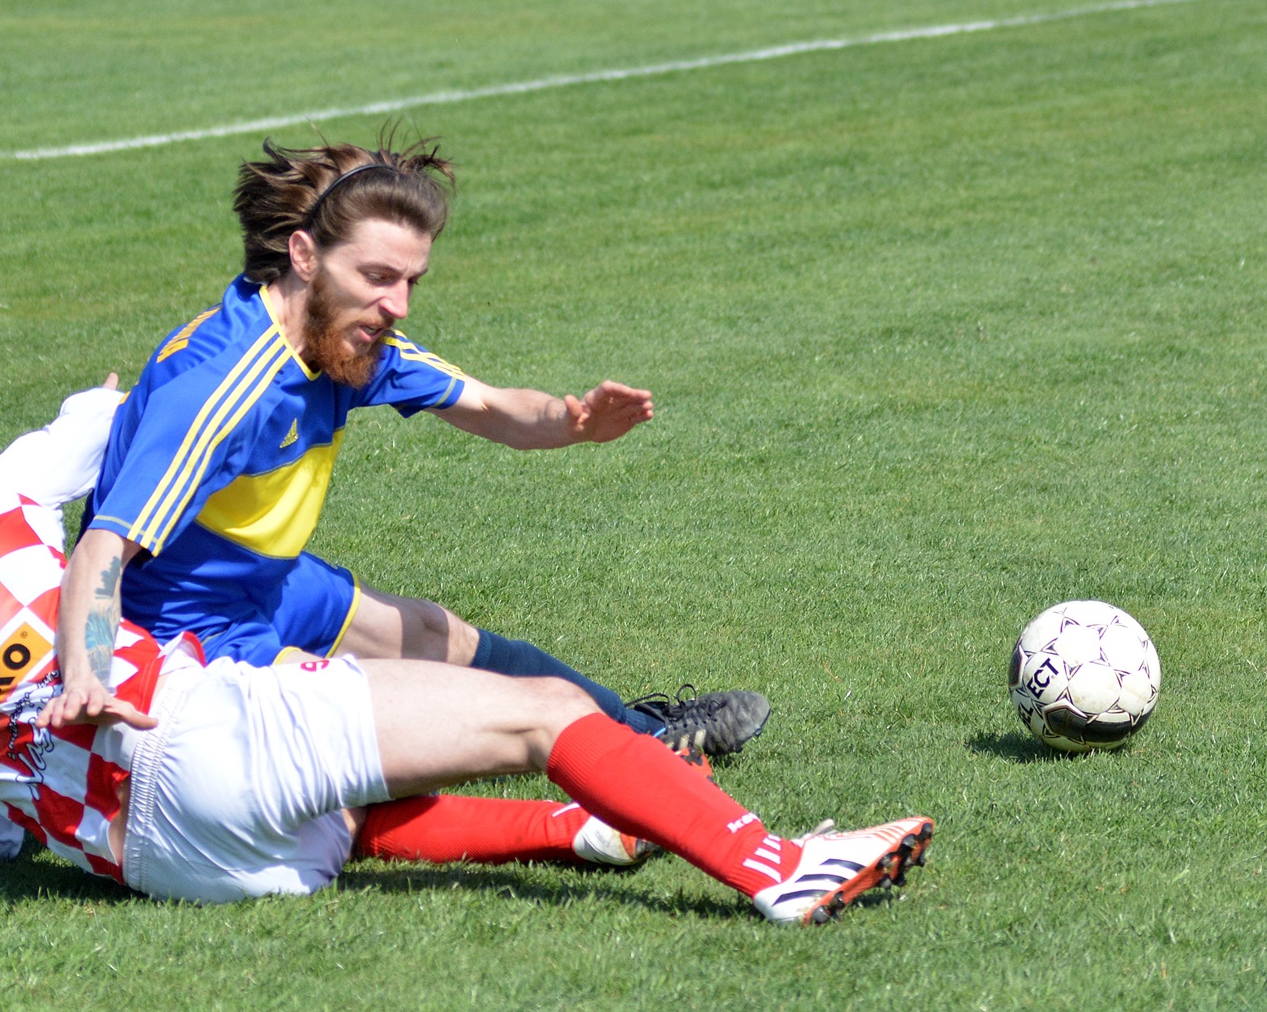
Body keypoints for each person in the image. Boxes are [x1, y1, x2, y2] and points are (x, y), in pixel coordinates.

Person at [0, 385, 934, 920]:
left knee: (342, 813)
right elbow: (107, 413)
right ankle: (780, 870)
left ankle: (581, 832)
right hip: (191, 733)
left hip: (166, 869)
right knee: (541, 711)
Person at [67, 137, 765, 756]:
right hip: (185, 629)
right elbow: (101, 552)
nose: (398, 304)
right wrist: (90, 678)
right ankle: (600, 785)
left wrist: (571, 420)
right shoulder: (224, 388)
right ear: (304, 255)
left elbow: (489, 404)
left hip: (265, 582)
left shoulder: (345, 338)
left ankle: (644, 732)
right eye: (378, 277)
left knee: (436, 634)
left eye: (410, 282)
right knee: (403, 716)